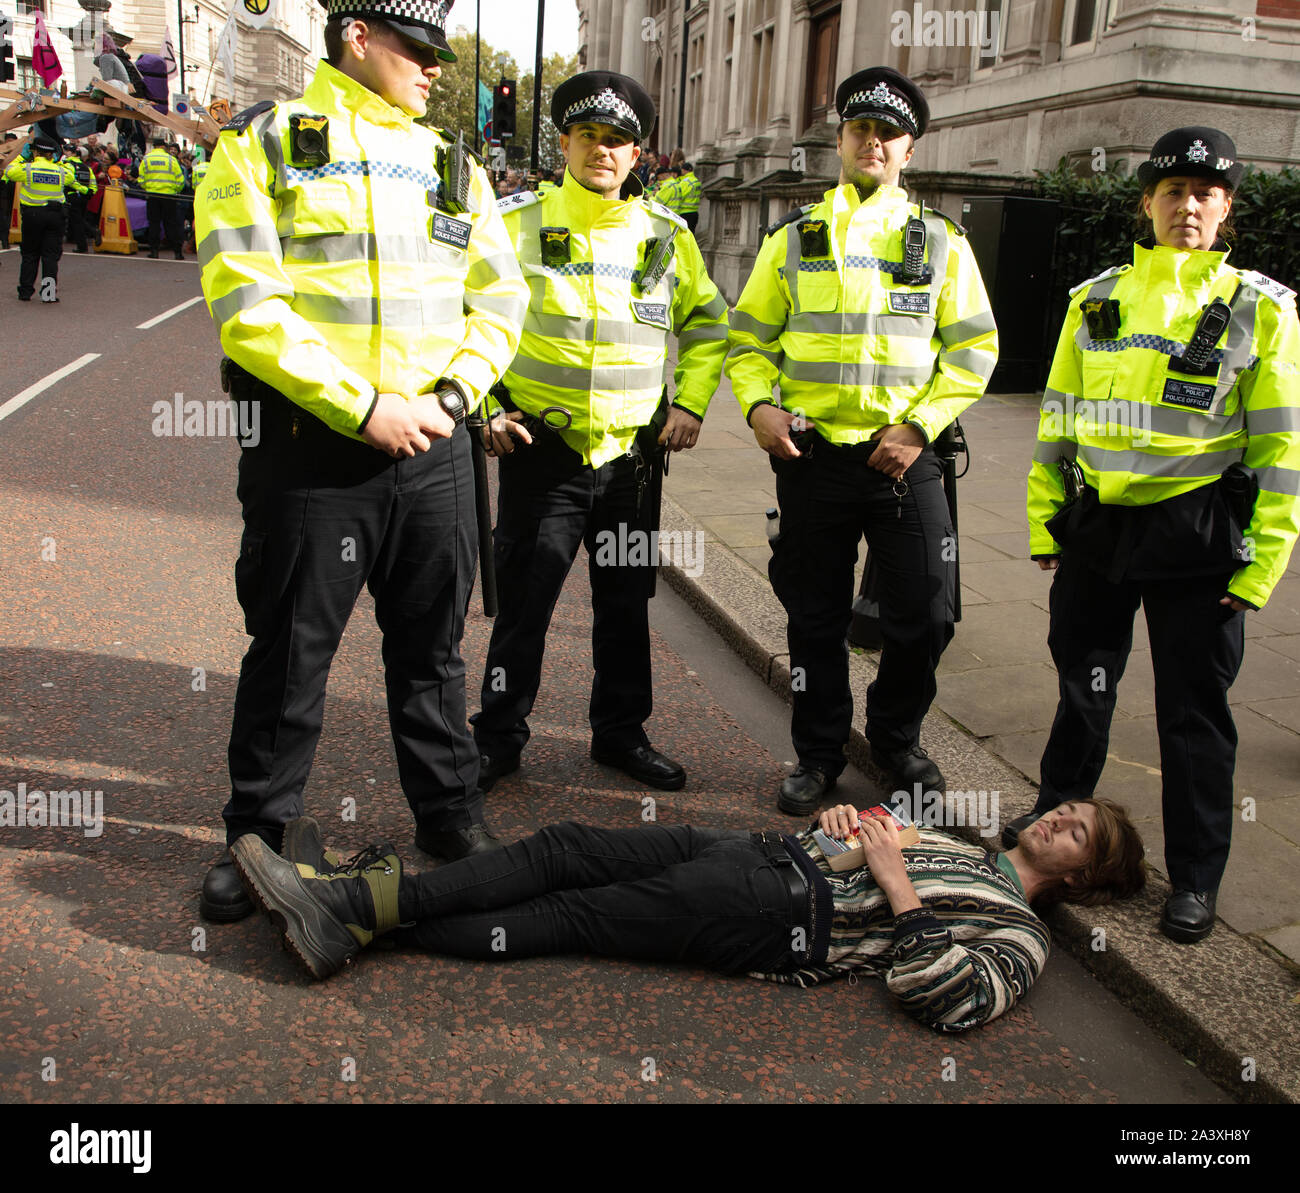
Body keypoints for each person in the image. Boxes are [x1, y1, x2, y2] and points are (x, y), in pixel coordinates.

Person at [194, 0, 529, 922]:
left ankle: (450, 814)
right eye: (418, 51)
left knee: (434, 651)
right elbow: (246, 300)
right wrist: (363, 406)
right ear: (357, 38)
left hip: (435, 448)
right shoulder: (262, 145)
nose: (434, 71)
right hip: (313, 452)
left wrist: (454, 397)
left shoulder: (452, 164)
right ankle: (256, 837)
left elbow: (498, 298)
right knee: (292, 652)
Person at [1015, 127, 1300, 944]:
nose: (1188, 206)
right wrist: (1045, 520)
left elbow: (1283, 450)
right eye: (1173, 191)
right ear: (1146, 202)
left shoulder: (1261, 307)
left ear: (1227, 211)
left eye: (1206, 194)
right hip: (1100, 535)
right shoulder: (1097, 297)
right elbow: (1058, 419)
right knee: (1083, 697)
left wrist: (1259, 570)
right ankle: (1047, 833)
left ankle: (1196, 880)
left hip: (1198, 539)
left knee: (1194, 717)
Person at [230, 795, 1145, 1032]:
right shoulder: (962, 840)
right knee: (561, 847)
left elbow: (948, 999)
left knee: (566, 913)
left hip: (781, 913)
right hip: (753, 852)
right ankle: (348, 909)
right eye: (1072, 807)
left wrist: (895, 880)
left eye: (1081, 834)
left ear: (1082, 881)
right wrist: (839, 823)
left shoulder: (1020, 935)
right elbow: (860, 835)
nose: (1064, 816)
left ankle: (349, 906)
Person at [726, 67, 998, 815]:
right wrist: (758, 409)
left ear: (908, 149)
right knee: (814, 616)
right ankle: (817, 753)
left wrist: (920, 425)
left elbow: (974, 350)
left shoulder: (941, 242)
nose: (873, 141)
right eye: (860, 129)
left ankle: (895, 738)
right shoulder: (793, 238)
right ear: (840, 140)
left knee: (929, 611)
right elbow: (747, 343)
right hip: (812, 459)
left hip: (907, 460)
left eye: (889, 133)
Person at [470, 70, 730, 794]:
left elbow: (709, 326)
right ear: (564, 143)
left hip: (632, 462)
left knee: (624, 606)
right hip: (543, 454)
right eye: (589, 136)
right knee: (525, 608)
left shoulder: (665, 238)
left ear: (638, 152)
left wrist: (694, 403)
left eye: (619, 140)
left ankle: (620, 734)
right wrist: (486, 405)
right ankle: (497, 734)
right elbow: (469, 318)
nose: (603, 151)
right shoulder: (514, 223)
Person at [4, 132, 88, 301]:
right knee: (50, 257)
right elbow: (71, 176)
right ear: (52, 154)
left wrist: (21, 157)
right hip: (55, 216)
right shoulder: (60, 170)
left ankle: (25, 292)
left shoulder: (27, 168)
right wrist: (58, 162)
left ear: (34, 152)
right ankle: (48, 294)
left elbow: (9, 171)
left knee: (29, 255)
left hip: (32, 216)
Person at [138, 134, 186, 259]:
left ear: (154, 147)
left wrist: (148, 188)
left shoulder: (146, 159)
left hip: (152, 196)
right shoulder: (171, 160)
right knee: (171, 224)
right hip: (169, 196)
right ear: (164, 147)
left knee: (154, 223)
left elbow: (141, 179)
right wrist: (175, 190)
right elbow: (181, 180)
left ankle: (154, 251)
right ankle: (177, 252)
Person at [66, 146, 99, 253]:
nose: (66, 153)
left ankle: (84, 244)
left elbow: (69, 181)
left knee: (77, 222)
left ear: (75, 154)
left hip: (72, 195)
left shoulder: (68, 165)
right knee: (80, 219)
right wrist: (90, 192)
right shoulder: (87, 167)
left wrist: (84, 190)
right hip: (84, 198)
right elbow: (93, 183)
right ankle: (84, 242)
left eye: (68, 151)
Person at [676, 161, 701, 232]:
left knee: (684, 236)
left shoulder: (685, 182)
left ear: (684, 170)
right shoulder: (696, 181)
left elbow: (680, 195)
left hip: (685, 212)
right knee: (691, 235)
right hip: (694, 212)